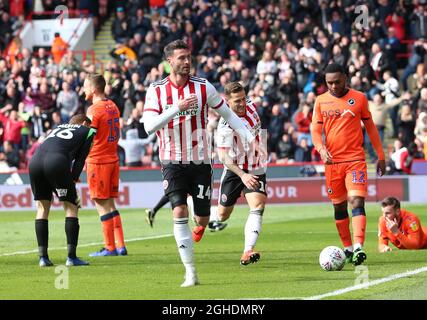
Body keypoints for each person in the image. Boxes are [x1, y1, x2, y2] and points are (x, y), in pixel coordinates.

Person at [143, 39, 254, 287]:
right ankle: (190, 272)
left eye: (188, 57)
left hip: (201, 163)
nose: (186, 62)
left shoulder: (204, 87)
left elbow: (229, 115)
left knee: (202, 220)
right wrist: (176, 108)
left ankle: (198, 213)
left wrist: (248, 137)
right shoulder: (157, 90)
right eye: (181, 58)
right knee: (178, 211)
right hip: (172, 161)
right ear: (169, 61)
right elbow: (148, 127)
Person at [310, 63, 386, 266]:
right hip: (332, 163)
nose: (333, 86)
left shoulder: (359, 98)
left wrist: (380, 155)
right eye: (329, 83)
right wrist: (320, 148)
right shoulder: (320, 101)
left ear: (345, 78)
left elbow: (370, 127)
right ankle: (348, 249)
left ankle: (359, 246)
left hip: (355, 160)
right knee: (339, 207)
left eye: (337, 82)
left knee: (356, 201)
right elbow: (316, 132)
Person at [210, 81, 267, 266]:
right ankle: (202, 210)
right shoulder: (225, 125)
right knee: (222, 215)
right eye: (237, 101)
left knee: (257, 206)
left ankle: (247, 250)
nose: (242, 104)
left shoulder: (251, 105)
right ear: (227, 101)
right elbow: (224, 157)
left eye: (243, 98)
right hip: (235, 170)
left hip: (256, 166)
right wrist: (242, 175)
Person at [29, 114, 95, 267]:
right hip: (57, 162)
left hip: (35, 162)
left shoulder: (57, 127)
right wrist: (73, 180)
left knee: (42, 207)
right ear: (85, 123)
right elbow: (80, 160)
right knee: (71, 207)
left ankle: (43, 258)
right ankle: (71, 258)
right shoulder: (89, 131)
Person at [83, 74, 127, 257]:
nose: (83, 90)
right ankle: (121, 245)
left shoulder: (94, 110)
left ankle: (110, 247)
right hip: (112, 159)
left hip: (98, 160)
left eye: (85, 86)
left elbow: (89, 136)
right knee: (110, 203)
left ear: (93, 89)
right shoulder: (113, 106)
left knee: (101, 204)